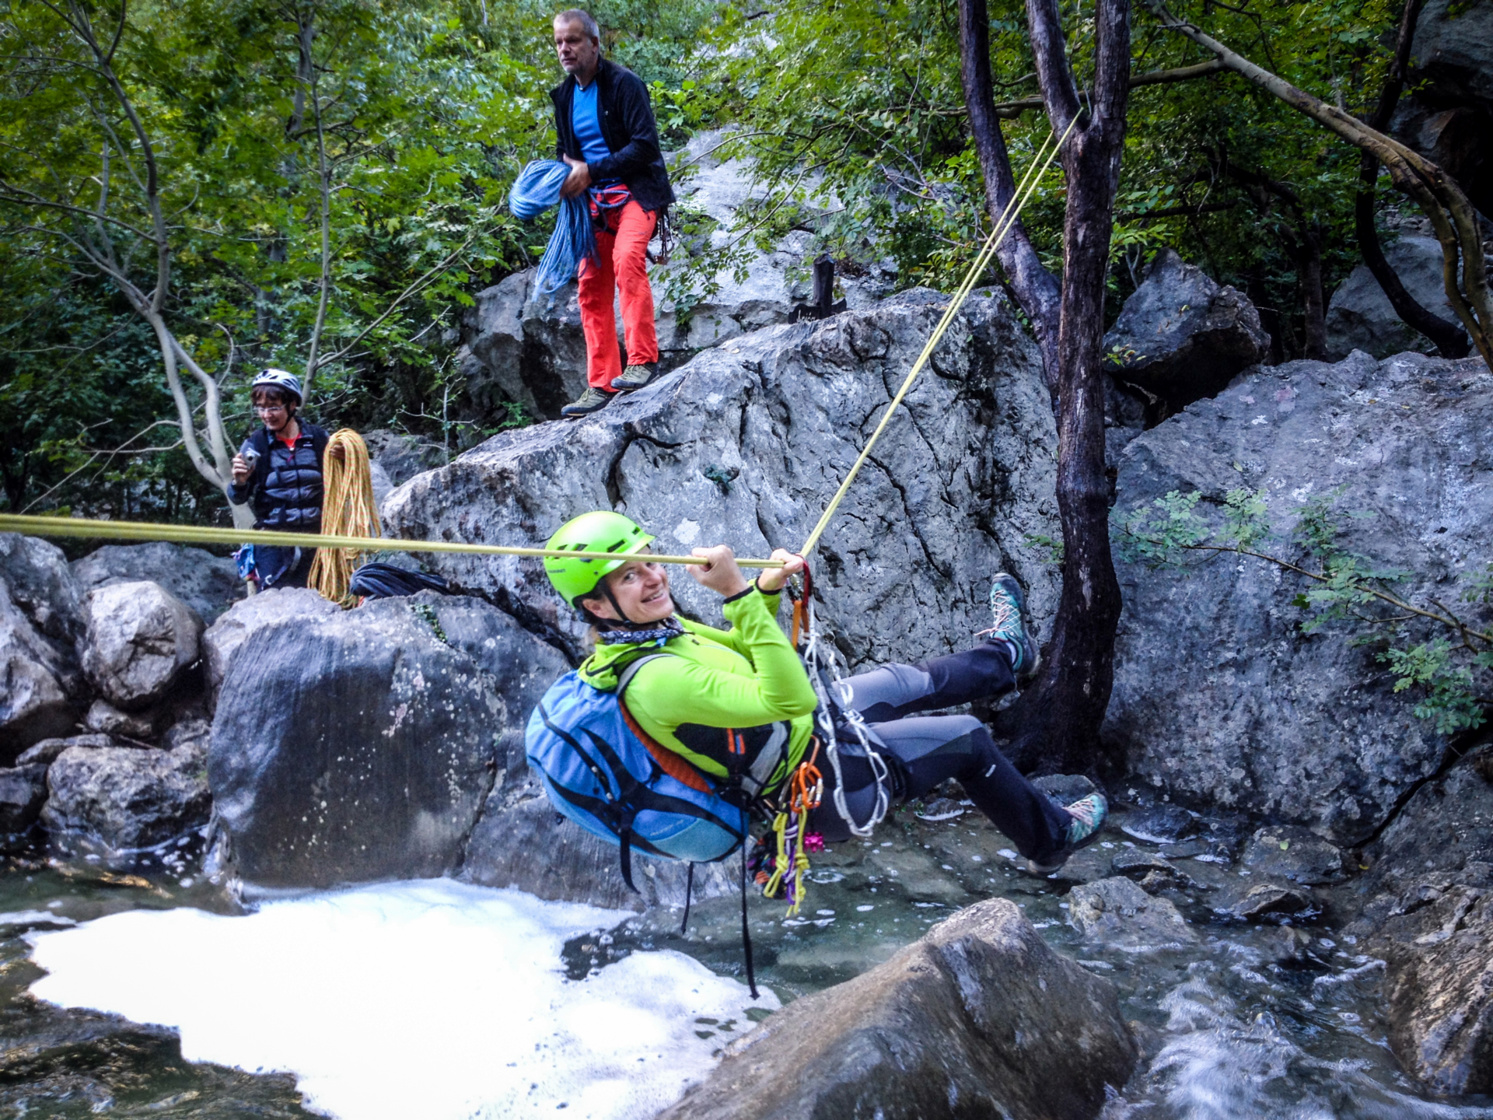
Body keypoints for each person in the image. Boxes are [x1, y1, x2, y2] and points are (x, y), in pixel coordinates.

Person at [542, 511, 1108, 877]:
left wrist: (762, 593)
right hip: (814, 785)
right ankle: (1051, 838)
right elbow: (791, 698)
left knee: (903, 681)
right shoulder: (656, 679)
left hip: (801, 739)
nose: (654, 577)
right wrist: (737, 592)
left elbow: (745, 652)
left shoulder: (658, 633)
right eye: (629, 577)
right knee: (966, 738)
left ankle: (1009, 658)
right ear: (596, 606)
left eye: (648, 562)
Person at [549, 9, 675, 419]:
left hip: (637, 195)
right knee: (589, 284)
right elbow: (566, 153)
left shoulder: (625, 85)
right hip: (594, 208)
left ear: (594, 44)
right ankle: (602, 382)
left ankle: (643, 361)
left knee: (626, 260)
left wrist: (591, 171)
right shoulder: (564, 96)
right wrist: (565, 174)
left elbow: (646, 147)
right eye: (558, 42)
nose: (564, 49)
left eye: (572, 41)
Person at [228, 370, 331, 590]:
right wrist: (240, 482)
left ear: (292, 404)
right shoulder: (256, 445)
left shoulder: (319, 440)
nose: (266, 415)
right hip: (274, 544)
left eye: (273, 407)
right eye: (261, 408)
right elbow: (238, 498)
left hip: (318, 541)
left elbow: (340, 485)